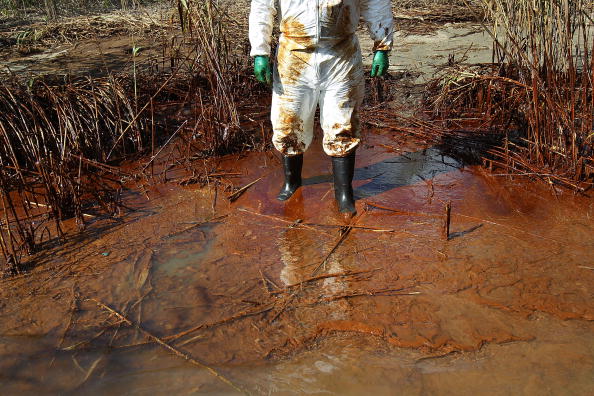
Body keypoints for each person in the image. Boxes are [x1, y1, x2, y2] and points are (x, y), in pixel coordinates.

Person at [249, 0, 394, 214]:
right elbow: (262, 6)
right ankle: (292, 183)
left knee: (343, 123)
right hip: (293, 53)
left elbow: (375, 2)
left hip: (341, 54)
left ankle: (344, 193)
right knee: (289, 122)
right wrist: (260, 51)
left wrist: (382, 45)